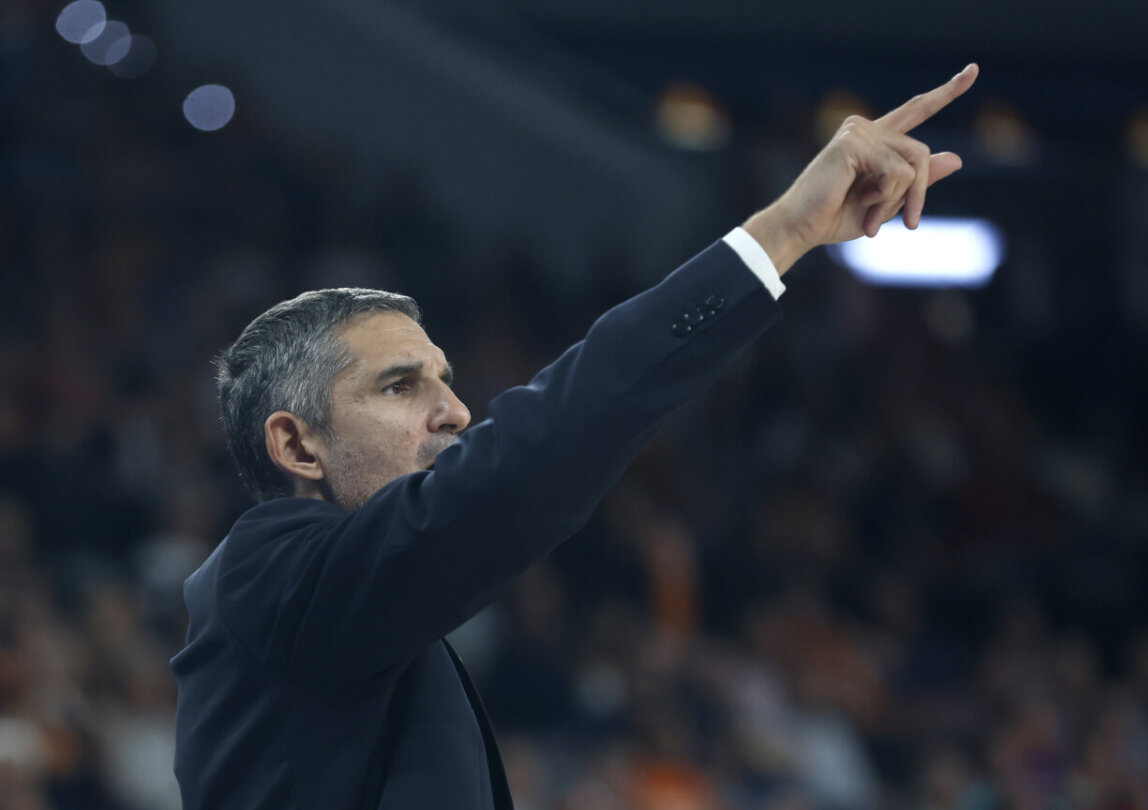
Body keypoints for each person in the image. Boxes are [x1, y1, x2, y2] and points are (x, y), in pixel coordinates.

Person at [171, 64, 980, 809]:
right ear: (297, 445)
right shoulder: (266, 575)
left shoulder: (347, 611)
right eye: (400, 384)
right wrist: (778, 236)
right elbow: (526, 457)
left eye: (445, 378)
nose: (455, 410)